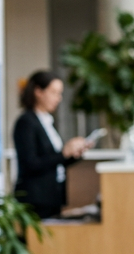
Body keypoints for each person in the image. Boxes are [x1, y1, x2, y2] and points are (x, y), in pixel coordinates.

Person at [13, 71, 91, 219]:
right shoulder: (26, 122)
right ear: (38, 92)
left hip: (53, 197)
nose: (58, 98)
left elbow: (54, 162)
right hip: (35, 199)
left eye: (59, 93)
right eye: (54, 92)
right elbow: (31, 163)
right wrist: (63, 153)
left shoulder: (47, 121)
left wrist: (74, 154)